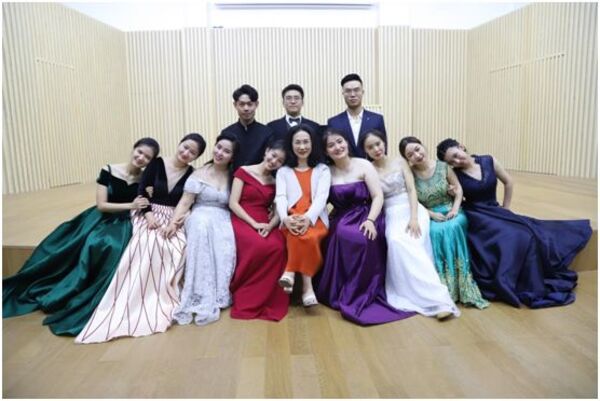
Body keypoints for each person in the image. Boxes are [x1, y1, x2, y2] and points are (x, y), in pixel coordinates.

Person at [3, 138, 159, 336]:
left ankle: (92, 291)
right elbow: (101, 205)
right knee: (86, 242)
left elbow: (149, 201)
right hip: (101, 217)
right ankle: (66, 287)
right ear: (134, 149)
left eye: (147, 157)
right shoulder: (109, 170)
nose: (141, 158)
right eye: (140, 152)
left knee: (111, 246)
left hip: (123, 221)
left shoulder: (145, 179)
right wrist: (131, 205)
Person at [76, 133, 206, 343]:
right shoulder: (156, 164)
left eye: (192, 152)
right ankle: (135, 298)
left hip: (172, 216)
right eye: (185, 147)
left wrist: (174, 223)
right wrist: (149, 216)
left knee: (178, 245)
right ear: (179, 143)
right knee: (148, 242)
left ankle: (163, 295)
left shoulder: (192, 173)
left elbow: (186, 201)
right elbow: (142, 192)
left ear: (196, 157)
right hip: (149, 212)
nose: (186, 153)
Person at [436, 138, 592, 308]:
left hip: (495, 209)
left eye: (456, 155)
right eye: (452, 162)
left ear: (461, 146)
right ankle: (520, 280)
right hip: (477, 215)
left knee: (531, 231)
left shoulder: (488, 160)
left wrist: (506, 208)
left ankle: (532, 275)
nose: (457, 162)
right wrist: (452, 194)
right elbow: (455, 198)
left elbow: (508, 182)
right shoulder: (455, 174)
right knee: (517, 235)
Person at [314, 128, 414, 325]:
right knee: (336, 235)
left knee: (361, 237)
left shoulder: (363, 164)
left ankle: (361, 290)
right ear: (326, 151)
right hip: (341, 216)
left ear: (346, 142)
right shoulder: (326, 171)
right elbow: (321, 201)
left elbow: (378, 196)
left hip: (367, 213)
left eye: (340, 141)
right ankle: (341, 289)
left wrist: (370, 220)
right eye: (331, 145)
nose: (337, 147)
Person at [360, 130, 460, 320]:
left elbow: (412, 190)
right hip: (391, 213)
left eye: (378, 144)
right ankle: (410, 293)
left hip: (412, 209)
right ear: (365, 150)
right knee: (395, 241)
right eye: (370, 147)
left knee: (413, 242)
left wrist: (414, 217)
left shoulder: (400, 162)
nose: (376, 149)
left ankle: (440, 301)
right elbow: (376, 196)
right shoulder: (369, 169)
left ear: (384, 142)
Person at [399, 136, 489, 309]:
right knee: (435, 231)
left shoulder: (443, 166)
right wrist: (431, 214)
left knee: (453, 226)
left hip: (452, 209)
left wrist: (455, 208)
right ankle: (446, 286)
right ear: (407, 159)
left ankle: (464, 284)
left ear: (423, 146)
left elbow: (458, 189)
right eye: (410, 155)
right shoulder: (410, 174)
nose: (417, 155)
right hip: (431, 214)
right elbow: (413, 199)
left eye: (417, 149)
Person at [163, 132, 239, 325]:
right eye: (218, 147)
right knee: (200, 226)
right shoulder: (199, 174)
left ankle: (219, 293)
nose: (220, 153)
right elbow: (185, 202)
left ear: (232, 156)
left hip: (223, 217)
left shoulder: (234, 177)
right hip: (200, 214)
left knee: (226, 243)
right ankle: (198, 293)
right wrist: (173, 222)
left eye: (226, 151)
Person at [228, 139, 288, 321]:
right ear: (266, 151)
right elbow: (233, 203)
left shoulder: (276, 181)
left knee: (278, 246)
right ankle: (246, 293)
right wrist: (253, 224)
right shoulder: (243, 171)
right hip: (242, 217)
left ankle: (268, 296)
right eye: (273, 155)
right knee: (258, 246)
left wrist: (271, 225)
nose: (274, 161)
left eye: (279, 161)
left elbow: (279, 210)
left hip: (265, 220)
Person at [275, 125, 330, 307]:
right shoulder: (283, 171)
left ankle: (290, 272)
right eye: (297, 142)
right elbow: (280, 197)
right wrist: (285, 219)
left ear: (312, 143)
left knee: (308, 236)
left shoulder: (322, 169)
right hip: (291, 217)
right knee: (296, 233)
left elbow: (322, 197)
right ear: (291, 145)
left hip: (316, 218)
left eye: (306, 142)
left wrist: (308, 218)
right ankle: (308, 288)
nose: (302, 146)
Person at [327, 73, 386, 158]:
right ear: (343, 93)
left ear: (362, 92)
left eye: (356, 90)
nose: (352, 94)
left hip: (371, 166)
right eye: (348, 91)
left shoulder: (377, 120)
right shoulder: (333, 122)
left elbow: (383, 151)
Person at [221, 84, 274, 170]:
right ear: (235, 105)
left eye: (250, 104)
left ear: (256, 104)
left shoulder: (267, 133)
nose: (246, 108)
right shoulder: (227, 133)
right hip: (233, 177)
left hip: (258, 177)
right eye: (241, 104)